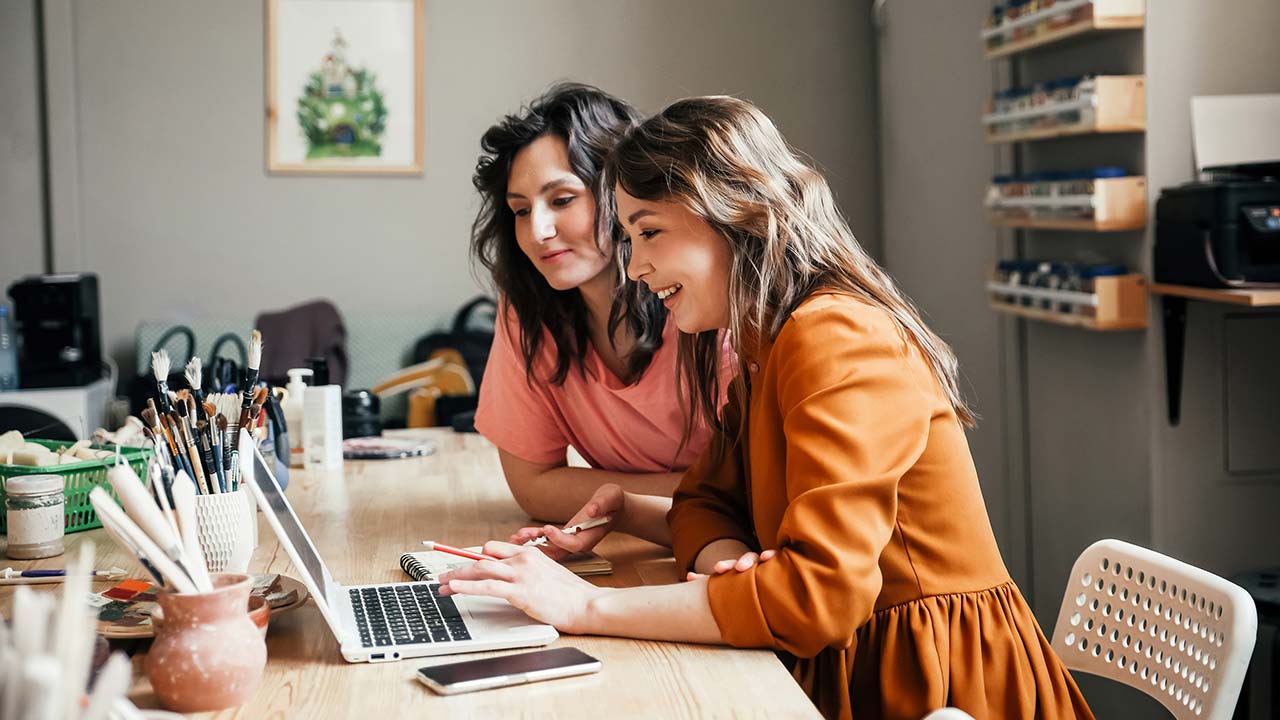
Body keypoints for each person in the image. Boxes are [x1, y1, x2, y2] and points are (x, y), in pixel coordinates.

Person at [444, 96, 1094, 720]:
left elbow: (817, 601)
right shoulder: (765, 341)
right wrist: (667, 530)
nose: (635, 266)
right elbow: (707, 503)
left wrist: (585, 607)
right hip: (845, 663)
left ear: (733, 214)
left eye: (647, 233)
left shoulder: (834, 337)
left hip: (934, 682)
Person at [470, 83, 733, 531]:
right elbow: (533, 486)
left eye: (562, 200)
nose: (538, 231)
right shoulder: (528, 311)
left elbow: (754, 490)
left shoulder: (708, 303)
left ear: (622, 191)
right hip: (668, 540)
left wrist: (615, 496)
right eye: (519, 210)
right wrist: (691, 492)